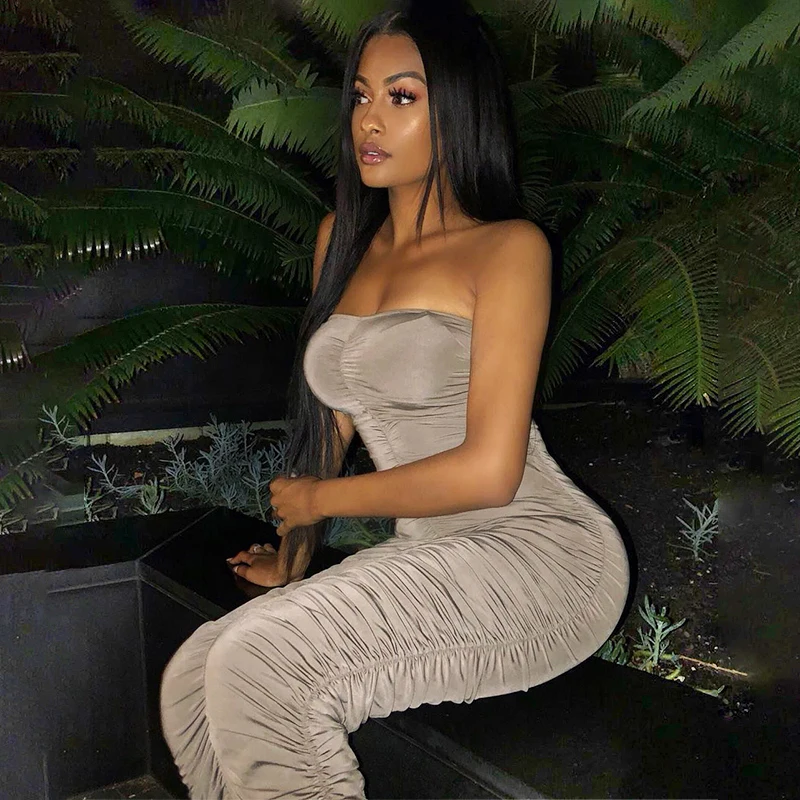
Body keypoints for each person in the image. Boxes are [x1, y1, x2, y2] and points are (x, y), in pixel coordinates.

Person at [159, 1, 631, 797]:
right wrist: (295, 557)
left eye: (402, 96)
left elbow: (491, 473)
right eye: (361, 95)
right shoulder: (341, 239)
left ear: (459, 111)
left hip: (540, 558)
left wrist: (322, 500)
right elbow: (329, 426)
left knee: (259, 667)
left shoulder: (508, 249)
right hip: (432, 554)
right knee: (192, 676)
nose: (370, 120)